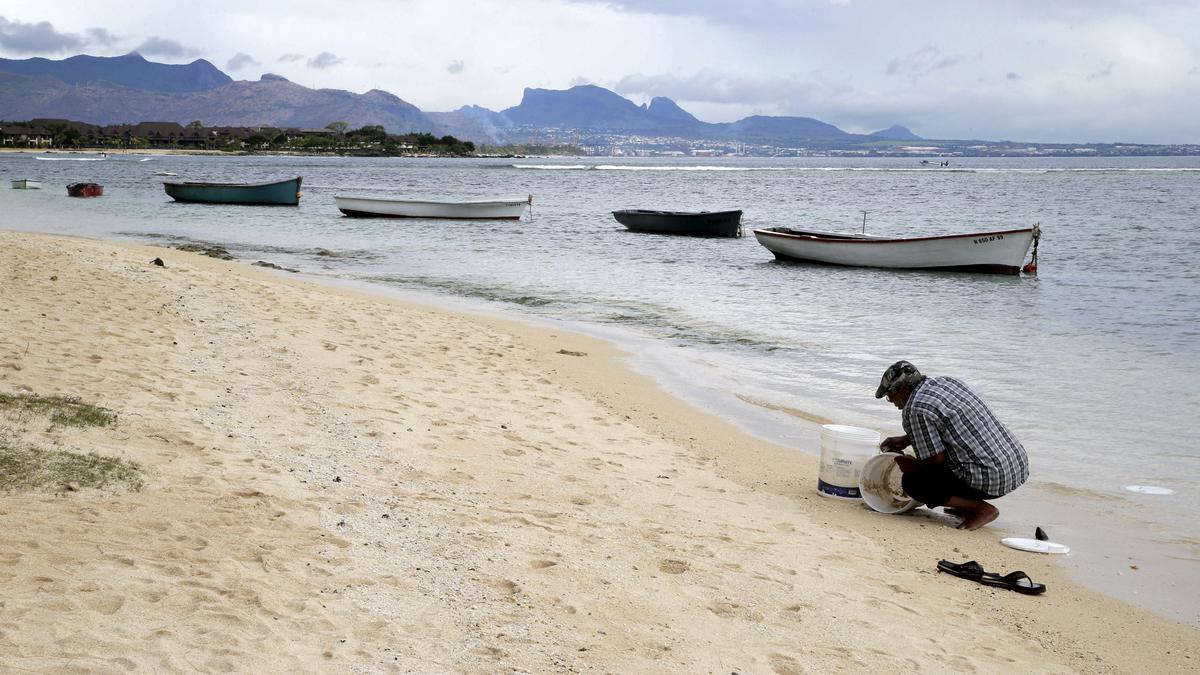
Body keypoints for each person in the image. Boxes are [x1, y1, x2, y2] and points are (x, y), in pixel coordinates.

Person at [874, 360, 1028, 530]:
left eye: (890, 397)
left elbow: (935, 463)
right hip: (1015, 466)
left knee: (914, 482)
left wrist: (912, 464)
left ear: (902, 391)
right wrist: (906, 439)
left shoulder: (914, 409)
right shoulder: (946, 383)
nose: (893, 403)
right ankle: (965, 505)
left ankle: (981, 509)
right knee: (942, 462)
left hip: (991, 479)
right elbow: (948, 424)